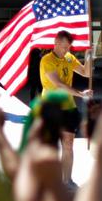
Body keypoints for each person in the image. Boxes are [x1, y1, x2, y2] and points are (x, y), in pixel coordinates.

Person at [39, 30, 93, 190]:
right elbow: (59, 85)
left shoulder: (69, 58)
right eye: (63, 47)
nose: (65, 51)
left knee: (68, 144)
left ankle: (67, 180)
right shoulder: (46, 61)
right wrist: (80, 94)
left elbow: (86, 72)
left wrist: (88, 55)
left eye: (68, 48)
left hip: (69, 108)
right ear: (55, 43)